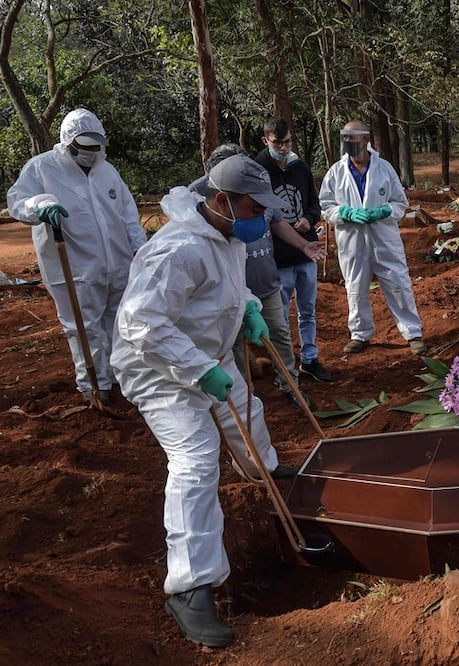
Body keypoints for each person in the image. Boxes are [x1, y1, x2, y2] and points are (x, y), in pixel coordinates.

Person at [111, 155, 299, 647]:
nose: (262, 219)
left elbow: (225, 292)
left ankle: (263, 466)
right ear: (221, 201)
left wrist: (252, 311)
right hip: (158, 370)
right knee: (195, 460)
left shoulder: (228, 234)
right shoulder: (177, 250)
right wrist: (198, 370)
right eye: (254, 207)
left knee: (246, 409)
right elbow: (141, 324)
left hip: (207, 352)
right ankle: (190, 587)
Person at [6, 108, 145, 402]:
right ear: (69, 143)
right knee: (83, 327)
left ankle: (120, 377)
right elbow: (18, 201)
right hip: (74, 266)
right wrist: (39, 206)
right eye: (85, 147)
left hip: (118, 263)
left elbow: (128, 216)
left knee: (119, 323)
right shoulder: (42, 168)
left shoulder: (107, 171)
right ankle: (94, 385)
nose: (92, 152)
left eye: (96, 146)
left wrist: (141, 254)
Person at [190, 144, 324, 409]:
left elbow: (277, 222)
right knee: (235, 345)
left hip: (265, 285)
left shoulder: (255, 195)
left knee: (279, 334)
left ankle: (289, 383)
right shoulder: (199, 217)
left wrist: (303, 244)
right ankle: (242, 396)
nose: (258, 215)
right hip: (232, 291)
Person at [319, 120, 426, 355]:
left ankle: (413, 332)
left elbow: (400, 202)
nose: (349, 145)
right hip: (352, 241)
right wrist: (345, 213)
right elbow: (326, 207)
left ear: (366, 140)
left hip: (384, 239)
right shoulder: (336, 172)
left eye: (354, 140)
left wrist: (384, 211)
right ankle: (360, 333)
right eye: (345, 140)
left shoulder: (384, 169)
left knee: (398, 283)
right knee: (355, 288)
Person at [254, 117, 333, 383]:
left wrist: (309, 220)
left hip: (306, 250)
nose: (285, 148)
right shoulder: (258, 171)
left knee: (307, 309)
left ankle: (310, 359)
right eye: (279, 143)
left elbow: (314, 204)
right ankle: (285, 368)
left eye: (288, 142)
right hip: (277, 257)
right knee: (280, 317)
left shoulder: (300, 168)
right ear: (266, 140)